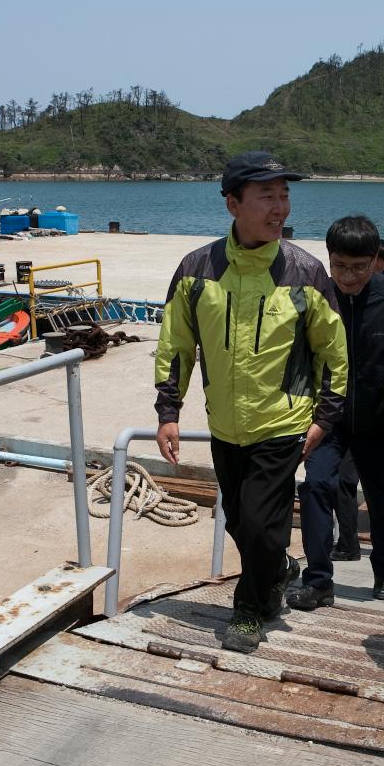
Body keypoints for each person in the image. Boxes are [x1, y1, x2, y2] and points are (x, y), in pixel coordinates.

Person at [154, 151, 348, 653]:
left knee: (263, 525)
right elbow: (176, 345)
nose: (280, 206)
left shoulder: (305, 272)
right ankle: (280, 570)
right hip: (225, 427)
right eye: (267, 195)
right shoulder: (196, 270)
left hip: (283, 423)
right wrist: (168, 412)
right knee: (241, 521)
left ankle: (248, 609)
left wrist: (325, 417)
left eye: (284, 195)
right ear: (233, 204)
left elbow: (334, 351)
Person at [289, 215, 384, 609]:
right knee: (317, 486)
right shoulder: (315, 296)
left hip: (380, 418)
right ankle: (318, 578)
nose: (348, 277)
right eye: (339, 266)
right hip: (327, 419)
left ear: (376, 260)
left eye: (359, 267)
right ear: (328, 257)